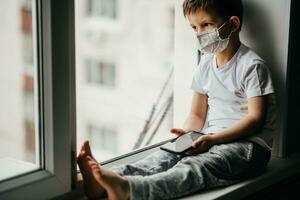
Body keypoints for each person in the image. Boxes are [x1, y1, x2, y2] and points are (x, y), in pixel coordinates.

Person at [77, 0, 277, 199]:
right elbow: (196, 114)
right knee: (167, 154)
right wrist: (189, 135)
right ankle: (106, 181)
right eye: (194, 27)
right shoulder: (205, 66)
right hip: (212, 139)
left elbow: (255, 120)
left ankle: (131, 189)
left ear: (233, 24)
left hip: (249, 148)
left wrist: (213, 139)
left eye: (206, 25)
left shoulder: (252, 66)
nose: (200, 33)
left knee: (195, 167)